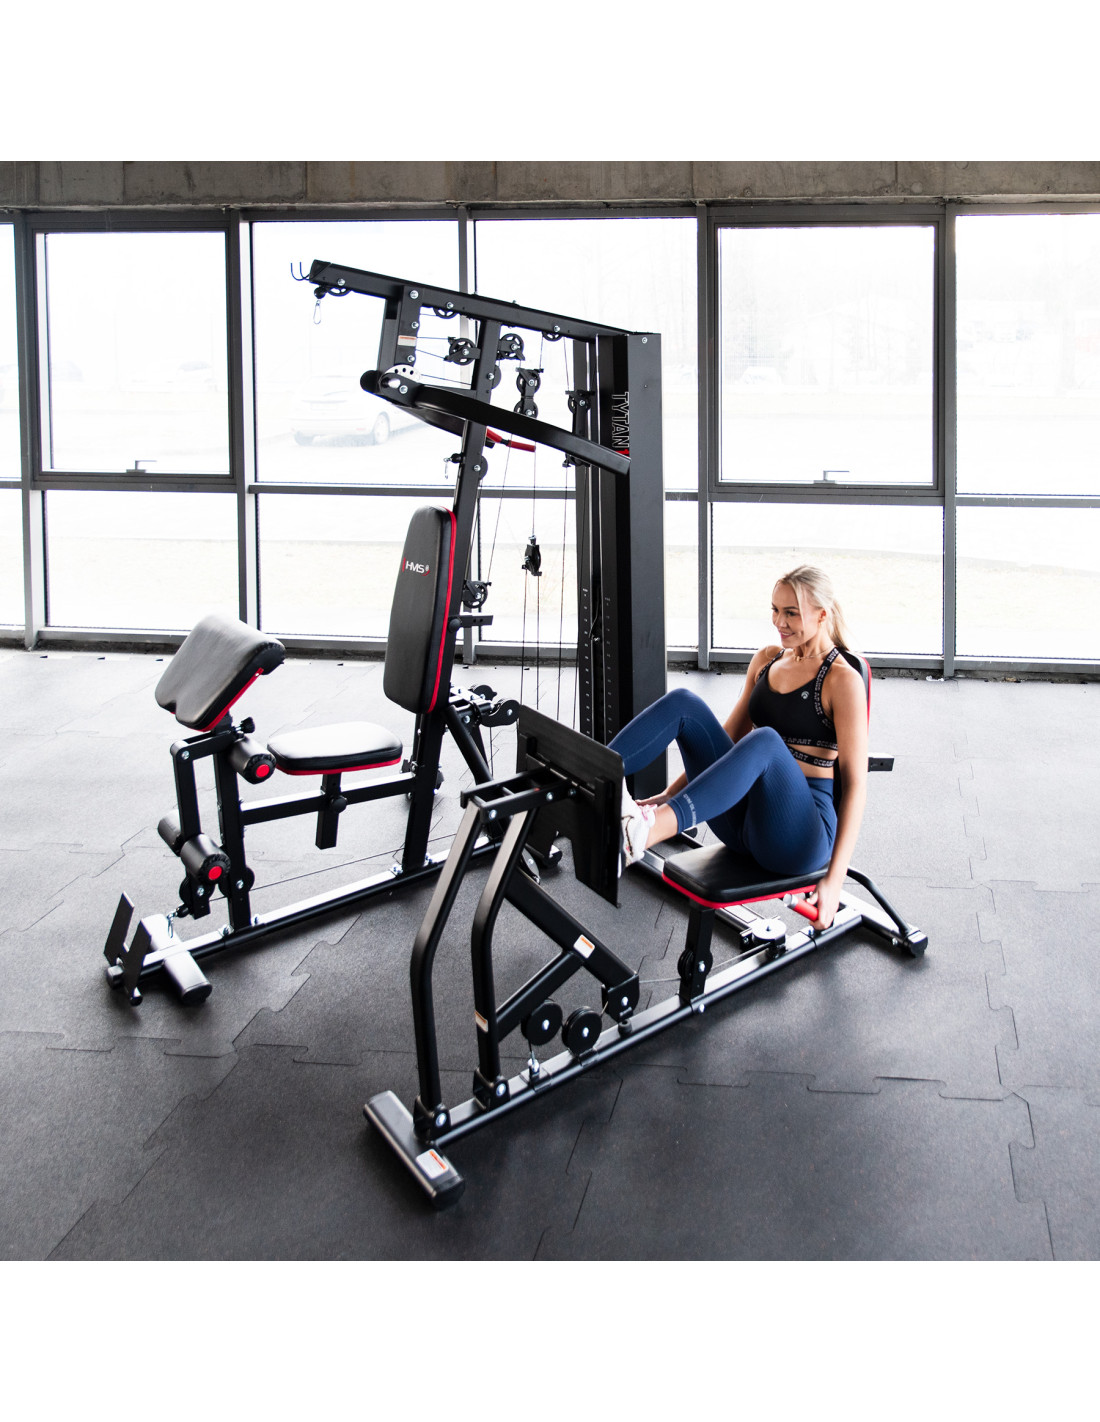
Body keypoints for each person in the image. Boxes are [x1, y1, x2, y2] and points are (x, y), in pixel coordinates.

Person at [611, 566, 867, 929]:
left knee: (765, 741)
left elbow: (856, 786)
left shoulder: (843, 680)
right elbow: (727, 742)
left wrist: (835, 880)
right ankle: (595, 778)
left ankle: (644, 833)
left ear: (822, 615)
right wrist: (669, 794)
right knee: (685, 703)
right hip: (744, 826)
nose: (779, 622)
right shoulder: (767, 660)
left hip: (799, 838)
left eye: (791, 613)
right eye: (775, 610)